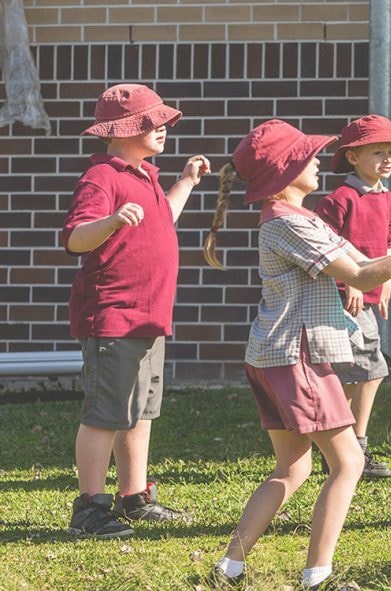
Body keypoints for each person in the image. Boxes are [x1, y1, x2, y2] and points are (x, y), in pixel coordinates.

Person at [205, 119, 391, 588]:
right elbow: (363, 279)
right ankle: (318, 578)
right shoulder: (288, 223)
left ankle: (230, 568)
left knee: (294, 467)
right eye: (306, 157)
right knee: (347, 462)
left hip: (277, 354)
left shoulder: (301, 218)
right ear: (284, 173)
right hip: (298, 356)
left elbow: (365, 265)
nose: (315, 163)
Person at [61, 83, 208, 538]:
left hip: (148, 318)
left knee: (140, 410)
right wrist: (111, 220)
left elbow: (163, 217)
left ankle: (133, 496)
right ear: (126, 130)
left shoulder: (146, 175)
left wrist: (184, 183)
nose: (163, 128)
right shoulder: (102, 177)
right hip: (114, 316)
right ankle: (89, 506)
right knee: (106, 412)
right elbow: (75, 237)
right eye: (153, 122)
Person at [314, 115, 391, 480]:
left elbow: (388, 240)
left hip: (371, 295)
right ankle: (345, 446)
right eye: (377, 152)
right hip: (345, 298)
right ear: (353, 157)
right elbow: (326, 246)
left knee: (367, 372)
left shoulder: (386, 196)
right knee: (362, 370)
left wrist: (386, 281)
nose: (387, 159)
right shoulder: (340, 199)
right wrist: (352, 282)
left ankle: (351, 444)